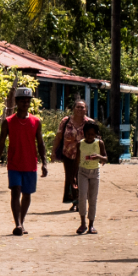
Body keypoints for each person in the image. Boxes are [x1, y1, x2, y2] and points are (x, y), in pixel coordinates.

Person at [0, 87, 45, 235]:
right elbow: (0, 143)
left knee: (27, 194)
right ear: (16, 102)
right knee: (15, 191)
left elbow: (41, 143)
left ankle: (21, 221)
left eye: (27, 101)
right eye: (22, 101)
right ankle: (17, 224)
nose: (25, 103)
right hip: (14, 164)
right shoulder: (8, 122)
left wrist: (44, 162)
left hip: (30, 164)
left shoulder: (36, 121)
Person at [56, 97, 104, 235]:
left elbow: (103, 153)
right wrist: (54, 151)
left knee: (92, 198)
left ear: (86, 109)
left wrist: (99, 156)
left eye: (82, 107)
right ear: (73, 108)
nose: (80, 109)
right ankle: (80, 214)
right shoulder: (67, 123)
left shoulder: (91, 125)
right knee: (76, 186)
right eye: (77, 107)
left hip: (90, 166)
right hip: (70, 155)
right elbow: (59, 136)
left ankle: (90, 223)